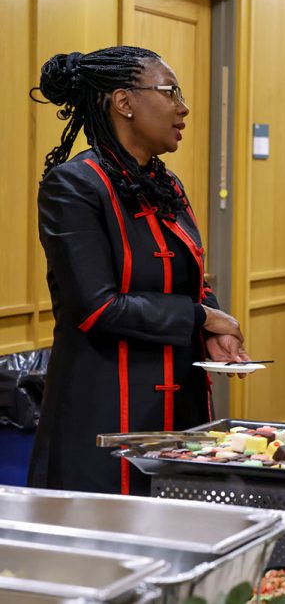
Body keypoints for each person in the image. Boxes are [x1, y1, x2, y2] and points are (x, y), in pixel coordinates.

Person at [29, 46, 249, 495]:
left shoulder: (164, 183)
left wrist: (214, 325)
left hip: (181, 403)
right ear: (123, 102)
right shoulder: (73, 185)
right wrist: (201, 318)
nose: (183, 107)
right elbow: (97, 308)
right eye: (170, 92)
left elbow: (191, 279)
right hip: (105, 415)